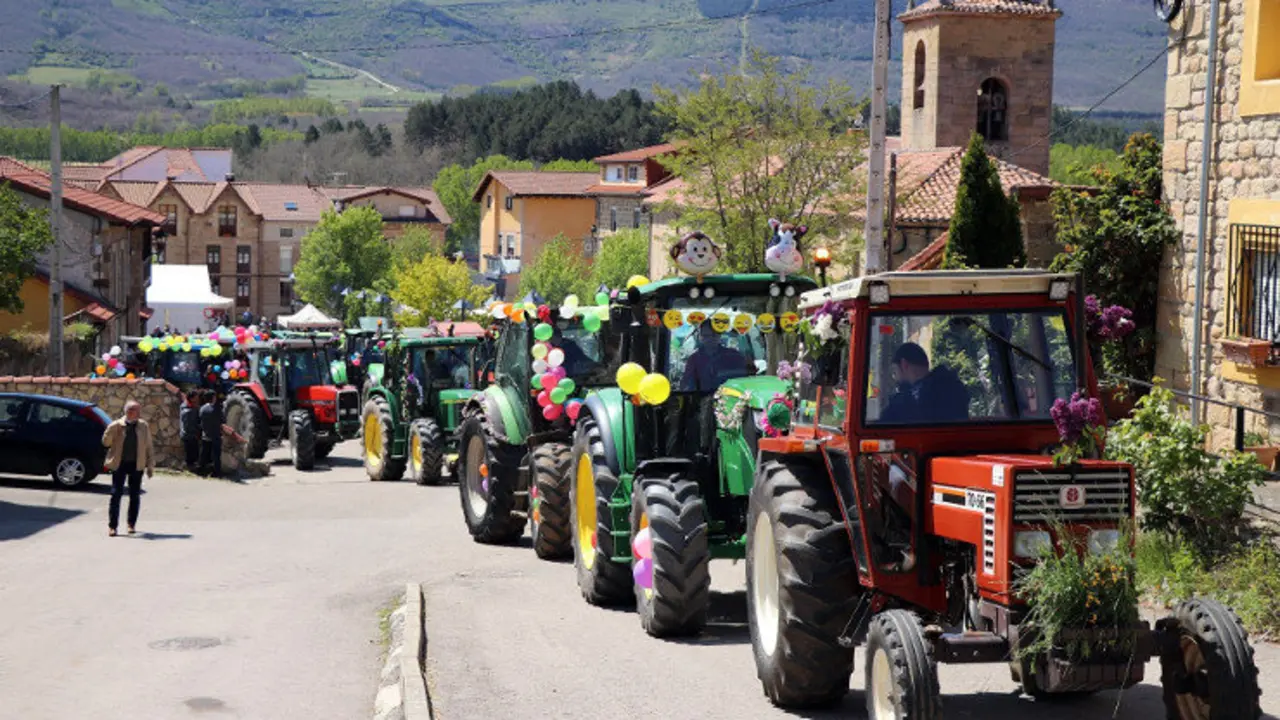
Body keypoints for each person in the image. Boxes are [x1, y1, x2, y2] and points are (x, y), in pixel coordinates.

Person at [880, 342, 969, 424]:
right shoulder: (952, 388)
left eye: (895, 371)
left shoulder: (907, 401)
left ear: (904, 364)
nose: (895, 378)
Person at [102, 400, 155, 536]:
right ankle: (113, 526)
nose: (134, 412)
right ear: (126, 411)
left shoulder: (143, 426)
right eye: (131, 410)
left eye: (136, 410)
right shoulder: (116, 425)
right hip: (119, 464)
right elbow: (106, 443)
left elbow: (148, 446)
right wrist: (110, 432)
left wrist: (150, 465)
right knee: (116, 494)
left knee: (134, 495)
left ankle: (131, 524)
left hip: (136, 464)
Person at [680, 322, 749, 392]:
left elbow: (744, 381)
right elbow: (686, 385)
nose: (710, 338)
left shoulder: (734, 356)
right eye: (706, 335)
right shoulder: (693, 359)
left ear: (719, 335)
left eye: (714, 335)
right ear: (700, 337)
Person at [198, 391, 223, 477]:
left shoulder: (202, 408)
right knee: (216, 455)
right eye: (215, 396)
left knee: (204, 454)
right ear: (213, 398)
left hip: (205, 434)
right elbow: (222, 420)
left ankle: (201, 470)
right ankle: (216, 472)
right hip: (215, 434)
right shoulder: (216, 409)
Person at [179, 390, 200, 470]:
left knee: (192, 452)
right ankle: (190, 467)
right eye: (196, 397)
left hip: (189, 434)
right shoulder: (188, 410)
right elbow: (189, 424)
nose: (197, 399)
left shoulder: (186, 406)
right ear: (191, 398)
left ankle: (191, 466)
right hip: (189, 434)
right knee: (190, 453)